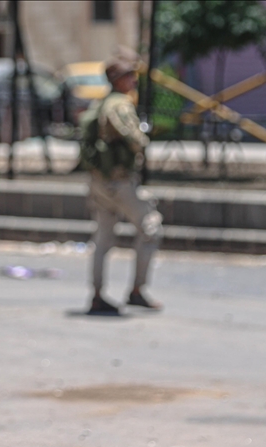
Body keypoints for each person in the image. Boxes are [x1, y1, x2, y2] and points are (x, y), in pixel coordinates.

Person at [86, 54, 164, 314]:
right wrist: (142, 139)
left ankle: (97, 295)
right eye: (129, 75)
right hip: (119, 181)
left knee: (103, 238)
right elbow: (135, 138)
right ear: (117, 80)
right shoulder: (120, 104)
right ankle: (137, 290)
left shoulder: (100, 103)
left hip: (99, 181)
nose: (134, 80)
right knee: (151, 228)